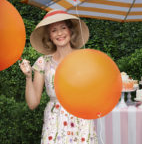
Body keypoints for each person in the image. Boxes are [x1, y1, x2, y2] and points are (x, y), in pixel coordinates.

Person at [19, 9, 98, 144]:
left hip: (82, 120)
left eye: (63, 28)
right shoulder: (42, 62)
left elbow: (95, 94)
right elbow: (33, 104)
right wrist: (28, 77)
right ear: (49, 36)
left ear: (70, 31)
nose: (59, 33)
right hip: (54, 122)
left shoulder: (85, 58)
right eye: (54, 30)